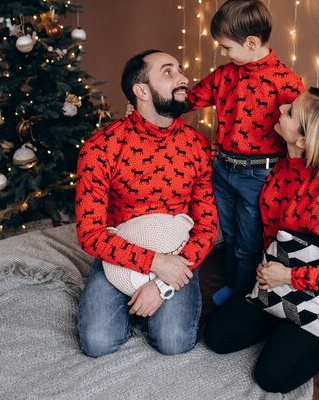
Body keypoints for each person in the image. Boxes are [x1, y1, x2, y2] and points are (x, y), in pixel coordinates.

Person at [204, 87, 319, 393]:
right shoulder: (288, 155)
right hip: (274, 279)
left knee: (271, 378)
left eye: (290, 112)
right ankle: (280, 317)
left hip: (310, 287)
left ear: (305, 141)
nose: (281, 108)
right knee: (217, 337)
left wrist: (290, 276)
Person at [76, 50, 218, 357]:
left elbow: (207, 225)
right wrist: (154, 263)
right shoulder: (100, 148)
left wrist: (162, 285)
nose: (183, 78)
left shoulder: (197, 145)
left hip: (177, 254)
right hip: (121, 254)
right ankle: (130, 306)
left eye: (180, 70)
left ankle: (147, 305)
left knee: (174, 342)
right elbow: (89, 233)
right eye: (168, 72)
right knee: (97, 342)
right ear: (142, 91)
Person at [188, 0, 305, 304]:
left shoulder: (286, 81)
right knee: (229, 235)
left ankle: (242, 295)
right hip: (223, 169)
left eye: (227, 47)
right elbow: (191, 98)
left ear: (252, 43)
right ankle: (233, 283)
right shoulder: (225, 75)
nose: (223, 53)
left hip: (259, 175)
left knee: (249, 241)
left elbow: (312, 125)